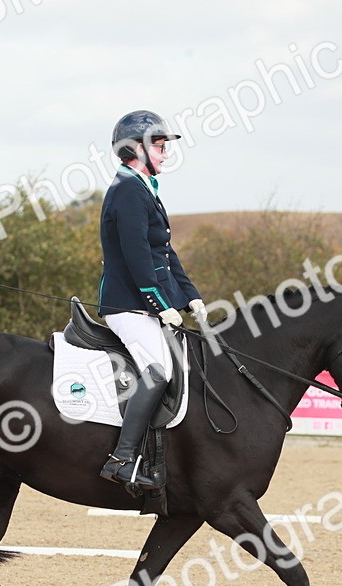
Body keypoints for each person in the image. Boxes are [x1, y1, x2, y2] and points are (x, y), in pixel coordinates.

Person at [96, 110, 205, 488]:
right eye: (158, 146)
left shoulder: (144, 189)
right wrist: (162, 304)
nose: (165, 152)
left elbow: (164, 251)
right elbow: (138, 257)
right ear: (135, 149)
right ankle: (121, 459)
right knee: (158, 371)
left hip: (145, 302)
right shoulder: (127, 191)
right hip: (127, 304)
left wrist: (190, 297)